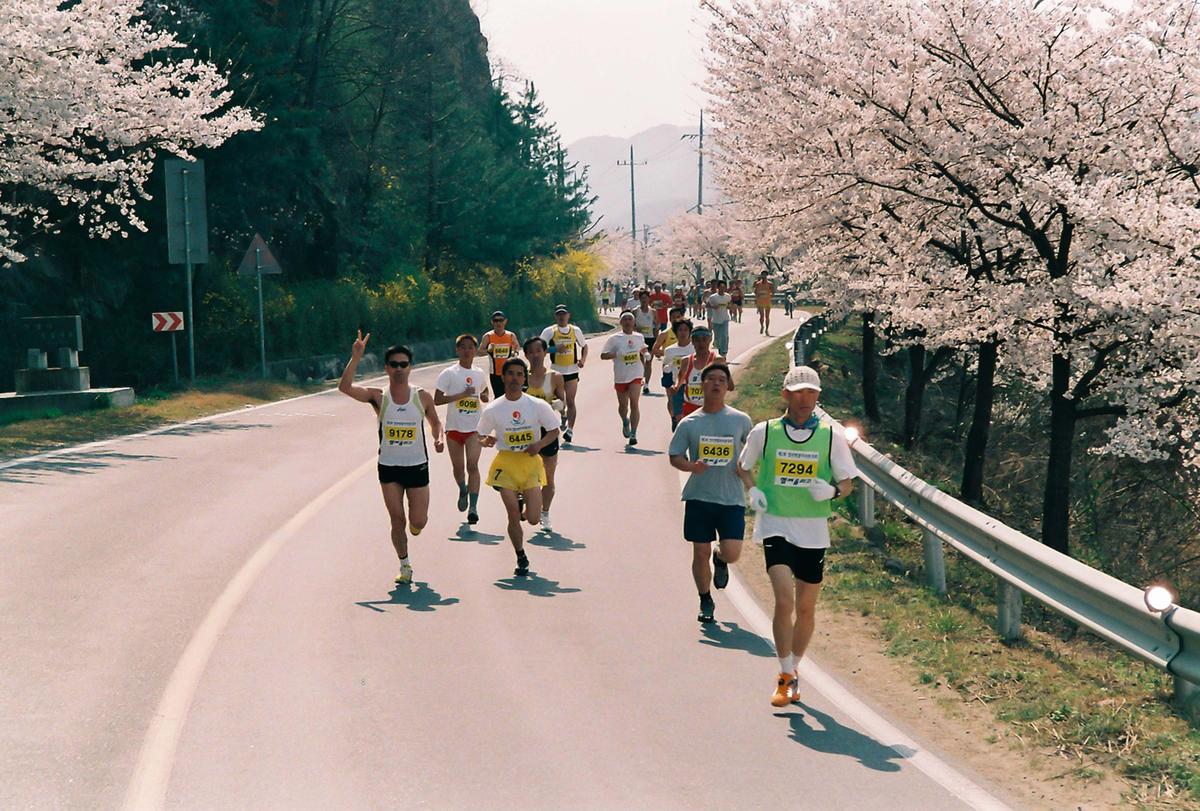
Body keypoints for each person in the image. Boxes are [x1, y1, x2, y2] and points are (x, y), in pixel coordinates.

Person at [738, 365, 860, 707]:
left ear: (818, 397)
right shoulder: (766, 432)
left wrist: (832, 492)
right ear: (785, 395)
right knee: (784, 601)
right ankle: (785, 674)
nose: (805, 399)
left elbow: (848, 483)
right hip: (775, 523)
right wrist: (752, 491)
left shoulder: (831, 436)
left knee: (806, 608)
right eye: (798, 392)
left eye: (811, 393)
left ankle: (796, 667)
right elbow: (743, 465)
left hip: (813, 529)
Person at [338, 332, 444, 585]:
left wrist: (438, 438)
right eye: (394, 364)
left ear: (410, 367)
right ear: (386, 368)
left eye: (403, 364)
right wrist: (355, 358)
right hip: (389, 468)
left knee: (417, 522)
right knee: (397, 519)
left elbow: (436, 422)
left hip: (417, 466)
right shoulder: (378, 396)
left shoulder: (421, 397)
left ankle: (416, 528)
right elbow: (344, 388)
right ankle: (405, 565)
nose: (398, 369)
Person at [669, 363, 752, 623]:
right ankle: (705, 599)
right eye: (711, 379)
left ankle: (721, 558)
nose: (716, 384)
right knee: (700, 551)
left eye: (721, 380)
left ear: (728, 387)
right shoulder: (689, 423)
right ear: (702, 385)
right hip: (699, 497)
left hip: (731, 497)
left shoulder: (741, 420)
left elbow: (754, 451)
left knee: (733, 552)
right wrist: (691, 466)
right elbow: (675, 456)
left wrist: (747, 470)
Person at [478, 358, 561, 576]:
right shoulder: (494, 409)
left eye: (519, 374)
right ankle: (520, 555)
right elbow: (480, 435)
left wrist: (540, 444)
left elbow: (554, 430)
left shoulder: (536, 405)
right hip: (506, 463)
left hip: (530, 463)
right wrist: (485, 441)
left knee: (533, 518)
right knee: (512, 514)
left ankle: (525, 505)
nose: (515, 378)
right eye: (511, 374)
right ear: (503, 377)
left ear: (524, 379)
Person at [434, 334, 490, 525]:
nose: (467, 351)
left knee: (472, 466)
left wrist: (484, 397)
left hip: (475, 428)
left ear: (475, 350)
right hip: (454, 429)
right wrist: (460, 395)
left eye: (470, 347)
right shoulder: (449, 373)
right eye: (463, 347)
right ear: (457, 350)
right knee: (458, 468)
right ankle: (462, 488)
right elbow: (437, 400)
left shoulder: (479, 373)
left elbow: (484, 390)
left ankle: (473, 508)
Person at [523, 336, 567, 533]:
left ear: (545, 352)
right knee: (525, 475)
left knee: (548, 477)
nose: (535, 355)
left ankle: (545, 513)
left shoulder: (555, 377)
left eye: (538, 350)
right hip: (524, 432)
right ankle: (526, 501)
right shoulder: (520, 377)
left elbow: (562, 401)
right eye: (531, 351)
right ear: (526, 355)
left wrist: (560, 405)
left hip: (547, 432)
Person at [600, 311, 650, 446]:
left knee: (634, 403)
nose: (628, 322)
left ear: (634, 323)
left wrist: (646, 354)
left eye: (630, 319)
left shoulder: (639, 337)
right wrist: (615, 354)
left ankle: (634, 433)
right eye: (625, 319)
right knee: (623, 406)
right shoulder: (614, 339)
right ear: (621, 322)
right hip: (621, 375)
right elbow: (603, 355)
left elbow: (643, 348)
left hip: (636, 374)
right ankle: (625, 421)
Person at [540, 304, 588, 444]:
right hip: (556, 371)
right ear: (555, 316)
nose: (561, 317)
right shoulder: (550, 331)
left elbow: (584, 346)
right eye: (559, 314)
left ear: (568, 315)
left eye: (564, 314)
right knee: (556, 401)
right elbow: (540, 348)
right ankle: (563, 414)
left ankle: (570, 430)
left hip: (572, 370)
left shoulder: (575, 330)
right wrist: (555, 349)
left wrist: (583, 360)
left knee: (571, 401)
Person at [672, 326, 726, 419]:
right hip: (690, 408)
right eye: (697, 340)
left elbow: (730, 385)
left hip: (711, 407)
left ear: (710, 340)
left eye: (704, 339)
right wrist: (675, 387)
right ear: (692, 341)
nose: (701, 343)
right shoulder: (686, 360)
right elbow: (680, 380)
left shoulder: (717, 359)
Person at [661, 319, 695, 430]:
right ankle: (674, 419)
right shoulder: (670, 350)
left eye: (686, 330)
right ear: (676, 332)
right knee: (674, 406)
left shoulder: (695, 348)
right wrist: (667, 383)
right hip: (676, 384)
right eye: (680, 330)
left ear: (690, 332)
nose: (683, 332)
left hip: (693, 384)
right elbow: (665, 367)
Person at [478, 311, 520, 397]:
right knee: (498, 397)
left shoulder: (511, 335)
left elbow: (517, 348)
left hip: (509, 372)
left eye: (501, 320)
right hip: (495, 373)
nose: (498, 323)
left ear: (505, 321)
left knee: (512, 395)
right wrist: (488, 351)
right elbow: (479, 352)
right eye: (496, 320)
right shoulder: (488, 336)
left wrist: (513, 353)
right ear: (492, 322)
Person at [633, 291, 656, 395]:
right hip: (638, 339)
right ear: (639, 299)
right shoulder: (635, 311)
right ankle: (641, 379)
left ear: (649, 299)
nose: (644, 300)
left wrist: (656, 337)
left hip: (650, 338)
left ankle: (646, 384)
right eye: (642, 298)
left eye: (646, 298)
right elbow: (631, 325)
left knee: (649, 361)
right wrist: (636, 331)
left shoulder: (653, 311)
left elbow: (657, 324)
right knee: (640, 361)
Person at [706, 280, 732, 356]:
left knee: (724, 336)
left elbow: (729, 305)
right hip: (716, 320)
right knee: (718, 337)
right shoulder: (713, 297)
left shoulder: (727, 296)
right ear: (718, 288)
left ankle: (724, 352)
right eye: (721, 287)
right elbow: (707, 305)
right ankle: (720, 349)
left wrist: (730, 307)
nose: (722, 289)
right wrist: (713, 307)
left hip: (725, 319)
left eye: (724, 287)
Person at [754, 271, 774, 336]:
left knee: (767, 316)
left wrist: (770, 294)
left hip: (767, 301)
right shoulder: (758, 284)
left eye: (765, 275)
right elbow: (755, 292)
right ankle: (762, 326)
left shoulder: (770, 284)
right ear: (761, 276)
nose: (764, 277)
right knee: (762, 316)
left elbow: (773, 292)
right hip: (760, 302)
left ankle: (767, 329)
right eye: (763, 275)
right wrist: (757, 299)